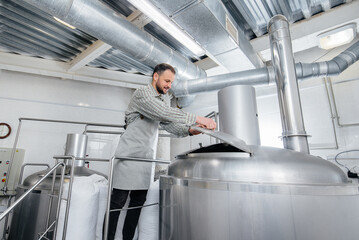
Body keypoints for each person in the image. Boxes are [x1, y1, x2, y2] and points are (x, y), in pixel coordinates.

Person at [106, 63, 216, 240]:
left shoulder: (161, 100)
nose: (169, 85)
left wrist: (189, 130)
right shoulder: (142, 94)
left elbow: (169, 124)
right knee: (117, 204)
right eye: (166, 80)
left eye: (171, 82)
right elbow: (164, 113)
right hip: (127, 158)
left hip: (144, 161)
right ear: (155, 77)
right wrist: (197, 118)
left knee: (136, 204)